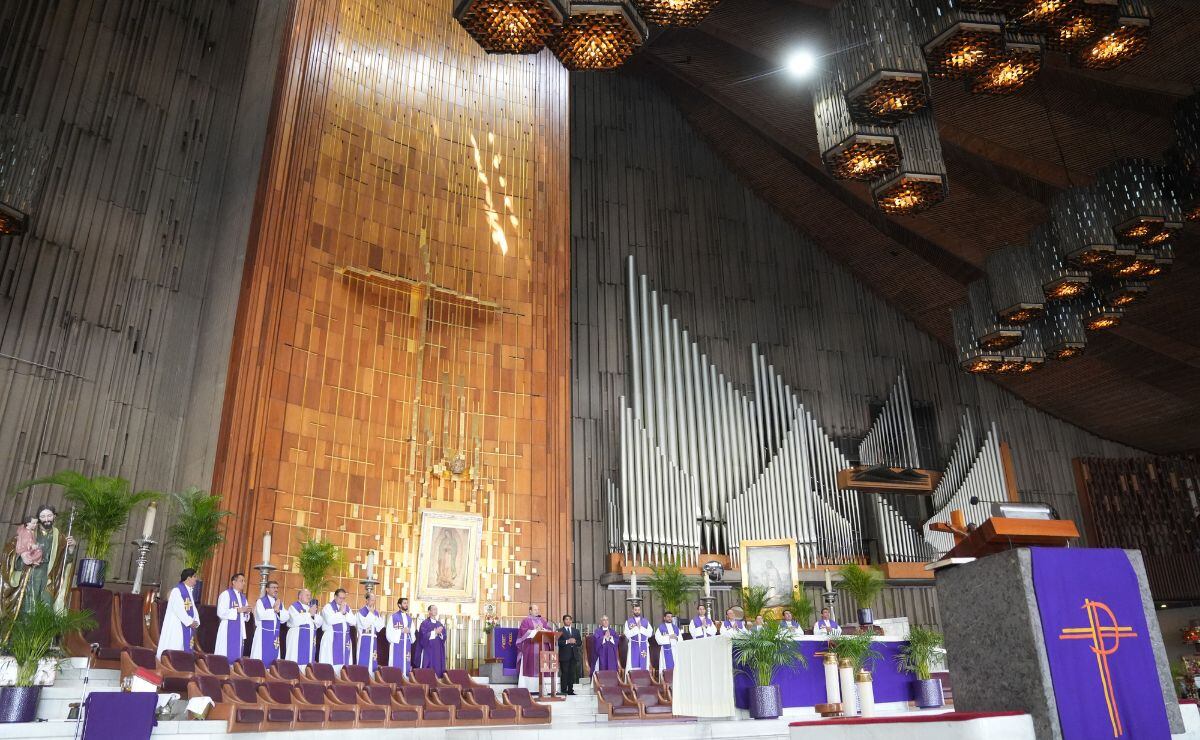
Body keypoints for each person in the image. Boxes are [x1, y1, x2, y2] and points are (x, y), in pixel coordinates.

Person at [2, 505, 75, 614]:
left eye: (49, 515)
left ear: (54, 516)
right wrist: (22, 555)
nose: (46, 519)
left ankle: (42, 625)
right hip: (30, 571)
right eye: (43, 516)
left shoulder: (60, 537)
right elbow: (12, 547)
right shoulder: (29, 531)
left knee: (46, 603)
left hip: (49, 574)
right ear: (38, 518)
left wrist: (71, 548)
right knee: (28, 603)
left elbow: (64, 561)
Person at [157, 569, 201, 658]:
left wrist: (196, 620)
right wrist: (189, 621)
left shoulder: (189, 591)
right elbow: (179, 609)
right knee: (176, 645)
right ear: (188, 578)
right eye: (194, 576)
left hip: (187, 624)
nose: (196, 579)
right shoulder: (177, 591)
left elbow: (193, 608)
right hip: (177, 625)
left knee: (183, 647)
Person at [215, 573, 252, 660]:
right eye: (241, 581)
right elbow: (220, 612)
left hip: (239, 629)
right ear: (234, 582)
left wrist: (247, 612)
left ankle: (234, 667)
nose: (244, 583)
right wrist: (238, 610)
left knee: (237, 653)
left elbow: (245, 618)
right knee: (225, 652)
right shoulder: (226, 594)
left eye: (244, 581)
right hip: (227, 628)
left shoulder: (243, 598)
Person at [515, 604, 552, 692]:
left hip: (542, 650)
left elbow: (549, 631)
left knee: (542, 667)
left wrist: (542, 629)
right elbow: (523, 633)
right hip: (530, 648)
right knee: (530, 667)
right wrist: (536, 630)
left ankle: (543, 690)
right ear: (530, 611)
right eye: (535, 609)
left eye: (537, 609)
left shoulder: (542, 621)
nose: (537, 611)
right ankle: (529, 689)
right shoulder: (526, 621)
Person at [252, 580, 288, 667]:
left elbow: (286, 617)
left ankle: (271, 672)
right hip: (263, 633)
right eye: (273, 587)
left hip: (275, 634)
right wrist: (273, 610)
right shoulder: (261, 601)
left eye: (277, 588)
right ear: (267, 589)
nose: (276, 590)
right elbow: (260, 615)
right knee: (260, 655)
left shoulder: (279, 603)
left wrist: (278, 611)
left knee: (273, 659)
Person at [286, 589, 322, 667]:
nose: (309, 597)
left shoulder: (311, 608)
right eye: (307, 595)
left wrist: (312, 615)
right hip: (296, 640)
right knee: (295, 661)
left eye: (310, 595)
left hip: (310, 641)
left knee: (307, 663)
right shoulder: (294, 607)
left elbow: (319, 622)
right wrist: (309, 614)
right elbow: (295, 620)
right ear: (300, 596)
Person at [320, 588, 354, 669]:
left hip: (345, 639)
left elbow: (353, 621)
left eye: (344, 598)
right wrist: (340, 612)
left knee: (344, 664)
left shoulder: (347, 608)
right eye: (340, 598)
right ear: (335, 596)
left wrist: (345, 613)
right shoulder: (328, 607)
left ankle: (343, 676)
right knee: (330, 662)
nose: (342, 600)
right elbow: (329, 620)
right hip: (331, 638)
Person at [385, 596, 415, 676]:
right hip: (397, 644)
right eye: (404, 603)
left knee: (406, 664)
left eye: (407, 603)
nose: (406, 605)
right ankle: (395, 679)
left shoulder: (409, 618)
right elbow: (389, 632)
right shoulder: (394, 617)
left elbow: (413, 632)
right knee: (396, 663)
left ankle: (406, 679)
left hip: (407, 644)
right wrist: (401, 631)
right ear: (399, 605)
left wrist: (410, 631)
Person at [355, 593, 384, 672]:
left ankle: (371, 675)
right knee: (363, 659)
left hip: (373, 639)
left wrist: (377, 617)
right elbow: (364, 624)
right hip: (364, 639)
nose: (373, 602)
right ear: (367, 600)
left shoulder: (376, 613)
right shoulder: (361, 612)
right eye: (371, 600)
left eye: (374, 600)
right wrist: (371, 614)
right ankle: (361, 675)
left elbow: (379, 627)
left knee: (372, 659)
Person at [415, 604, 447, 676]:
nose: (436, 611)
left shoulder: (439, 624)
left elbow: (444, 637)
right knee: (428, 671)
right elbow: (423, 637)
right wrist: (435, 632)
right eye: (434, 609)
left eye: (436, 609)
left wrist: (441, 634)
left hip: (438, 652)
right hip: (428, 651)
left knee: (438, 668)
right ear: (429, 611)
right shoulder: (425, 623)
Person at [558, 614, 582, 696]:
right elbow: (558, 642)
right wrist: (567, 641)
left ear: (571, 621)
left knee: (572, 673)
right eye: (566, 619)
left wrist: (575, 641)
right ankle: (564, 690)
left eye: (569, 619)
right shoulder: (559, 631)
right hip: (564, 655)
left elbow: (580, 642)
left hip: (574, 655)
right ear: (563, 621)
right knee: (564, 673)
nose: (568, 621)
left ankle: (571, 690)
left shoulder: (576, 631)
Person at [623, 604, 653, 671]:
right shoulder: (628, 622)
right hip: (633, 646)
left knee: (644, 664)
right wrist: (636, 628)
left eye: (638, 610)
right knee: (632, 665)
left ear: (640, 611)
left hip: (643, 645)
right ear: (632, 611)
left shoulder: (645, 621)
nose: (637, 611)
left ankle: (643, 676)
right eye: (635, 610)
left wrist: (641, 628)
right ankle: (632, 677)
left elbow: (650, 633)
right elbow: (627, 634)